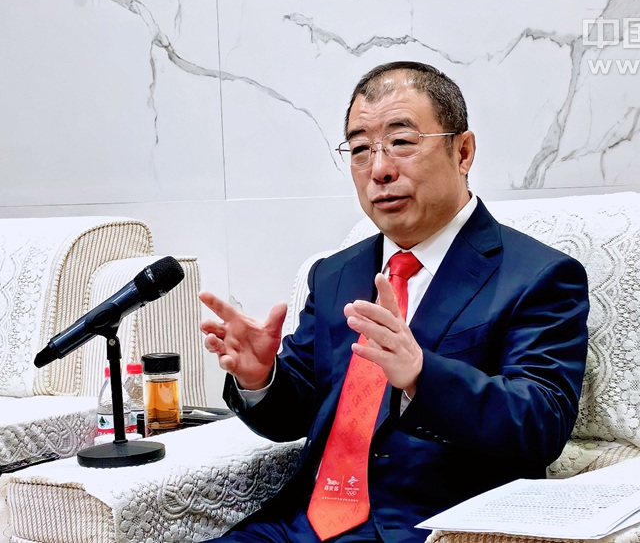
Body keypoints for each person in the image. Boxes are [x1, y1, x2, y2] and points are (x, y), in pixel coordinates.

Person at [199, 61, 590, 543]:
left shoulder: (538, 275)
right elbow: (294, 416)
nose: (379, 169)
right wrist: (261, 378)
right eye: (361, 149)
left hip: (429, 528)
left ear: (463, 152)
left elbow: (541, 426)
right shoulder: (336, 273)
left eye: (401, 142)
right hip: (297, 526)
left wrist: (422, 376)